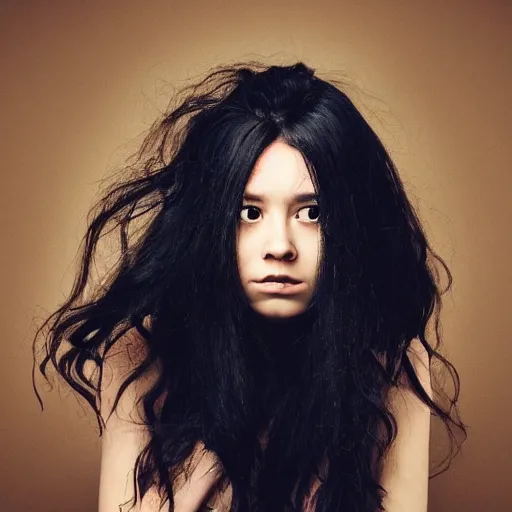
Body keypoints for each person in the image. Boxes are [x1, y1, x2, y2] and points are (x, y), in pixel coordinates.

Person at [32, 61, 468, 512]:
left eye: (312, 213)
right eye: (250, 212)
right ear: (212, 221)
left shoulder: (388, 357)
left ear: (351, 226)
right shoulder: (140, 351)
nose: (279, 246)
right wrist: (229, 437)